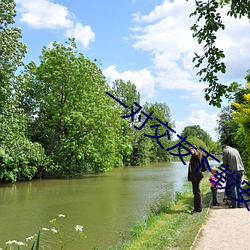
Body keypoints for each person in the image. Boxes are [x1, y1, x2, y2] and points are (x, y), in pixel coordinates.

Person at [188, 144, 204, 214]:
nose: (190, 150)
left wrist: (194, 152)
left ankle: (198, 209)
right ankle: (197, 208)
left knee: (196, 192)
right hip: (197, 175)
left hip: (196, 176)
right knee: (196, 192)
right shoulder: (199, 154)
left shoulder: (197, 155)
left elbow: (198, 157)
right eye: (189, 149)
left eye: (191, 148)